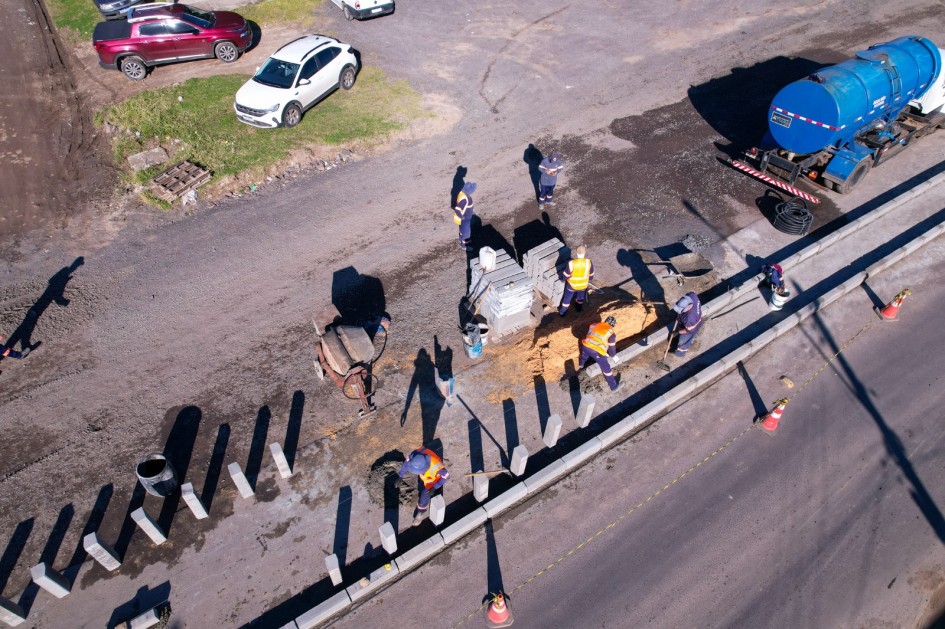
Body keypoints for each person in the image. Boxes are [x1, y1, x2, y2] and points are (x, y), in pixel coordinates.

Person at [399, 447, 450, 525]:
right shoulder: (415, 455)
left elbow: (446, 476)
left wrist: (434, 487)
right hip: (426, 476)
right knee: (421, 483)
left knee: (424, 494)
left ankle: (421, 512)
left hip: (433, 479)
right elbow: (407, 463)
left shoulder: (437, 468)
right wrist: (400, 476)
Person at [580, 316, 619, 391]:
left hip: (585, 346)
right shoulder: (611, 333)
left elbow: (591, 330)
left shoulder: (595, 324)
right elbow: (612, 348)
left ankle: (581, 364)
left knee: (584, 355)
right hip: (596, 352)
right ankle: (613, 386)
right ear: (613, 325)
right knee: (606, 368)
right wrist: (613, 355)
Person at [559, 245, 594, 315]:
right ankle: (578, 308)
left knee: (567, 299)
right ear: (584, 253)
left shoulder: (571, 263)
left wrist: (562, 279)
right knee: (580, 298)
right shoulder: (588, 262)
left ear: (576, 253)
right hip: (583, 285)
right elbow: (591, 275)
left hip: (572, 286)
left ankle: (562, 312)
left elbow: (566, 275)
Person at [673, 292, 703, 358]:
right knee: (682, 330)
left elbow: (689, 331)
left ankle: (680, 353)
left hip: (693, 327)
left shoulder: (690, 319)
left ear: (687, 308)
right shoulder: (692, 296)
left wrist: (678, 332)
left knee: (684, 340)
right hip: (692, 320)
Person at [454, 182, 476, 251]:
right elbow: (457, 209)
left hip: (465, 217)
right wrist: (461, 217)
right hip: (465, 218)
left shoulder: (464, 194)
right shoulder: (464, 199)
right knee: (466, 233)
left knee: (462, 230)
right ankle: (464, 245)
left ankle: (461, 239)